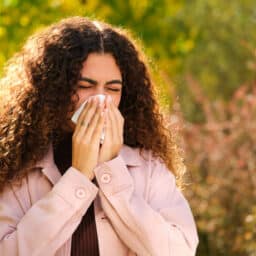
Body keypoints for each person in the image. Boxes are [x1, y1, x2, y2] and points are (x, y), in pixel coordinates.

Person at [0, 16, 198, 256]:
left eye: (113, 89)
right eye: (85, 86)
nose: (100, 99)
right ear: (54, 89)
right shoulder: (17, 165)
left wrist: (112, 172)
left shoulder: (148, 167)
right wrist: (79, 176)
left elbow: (180, 251)